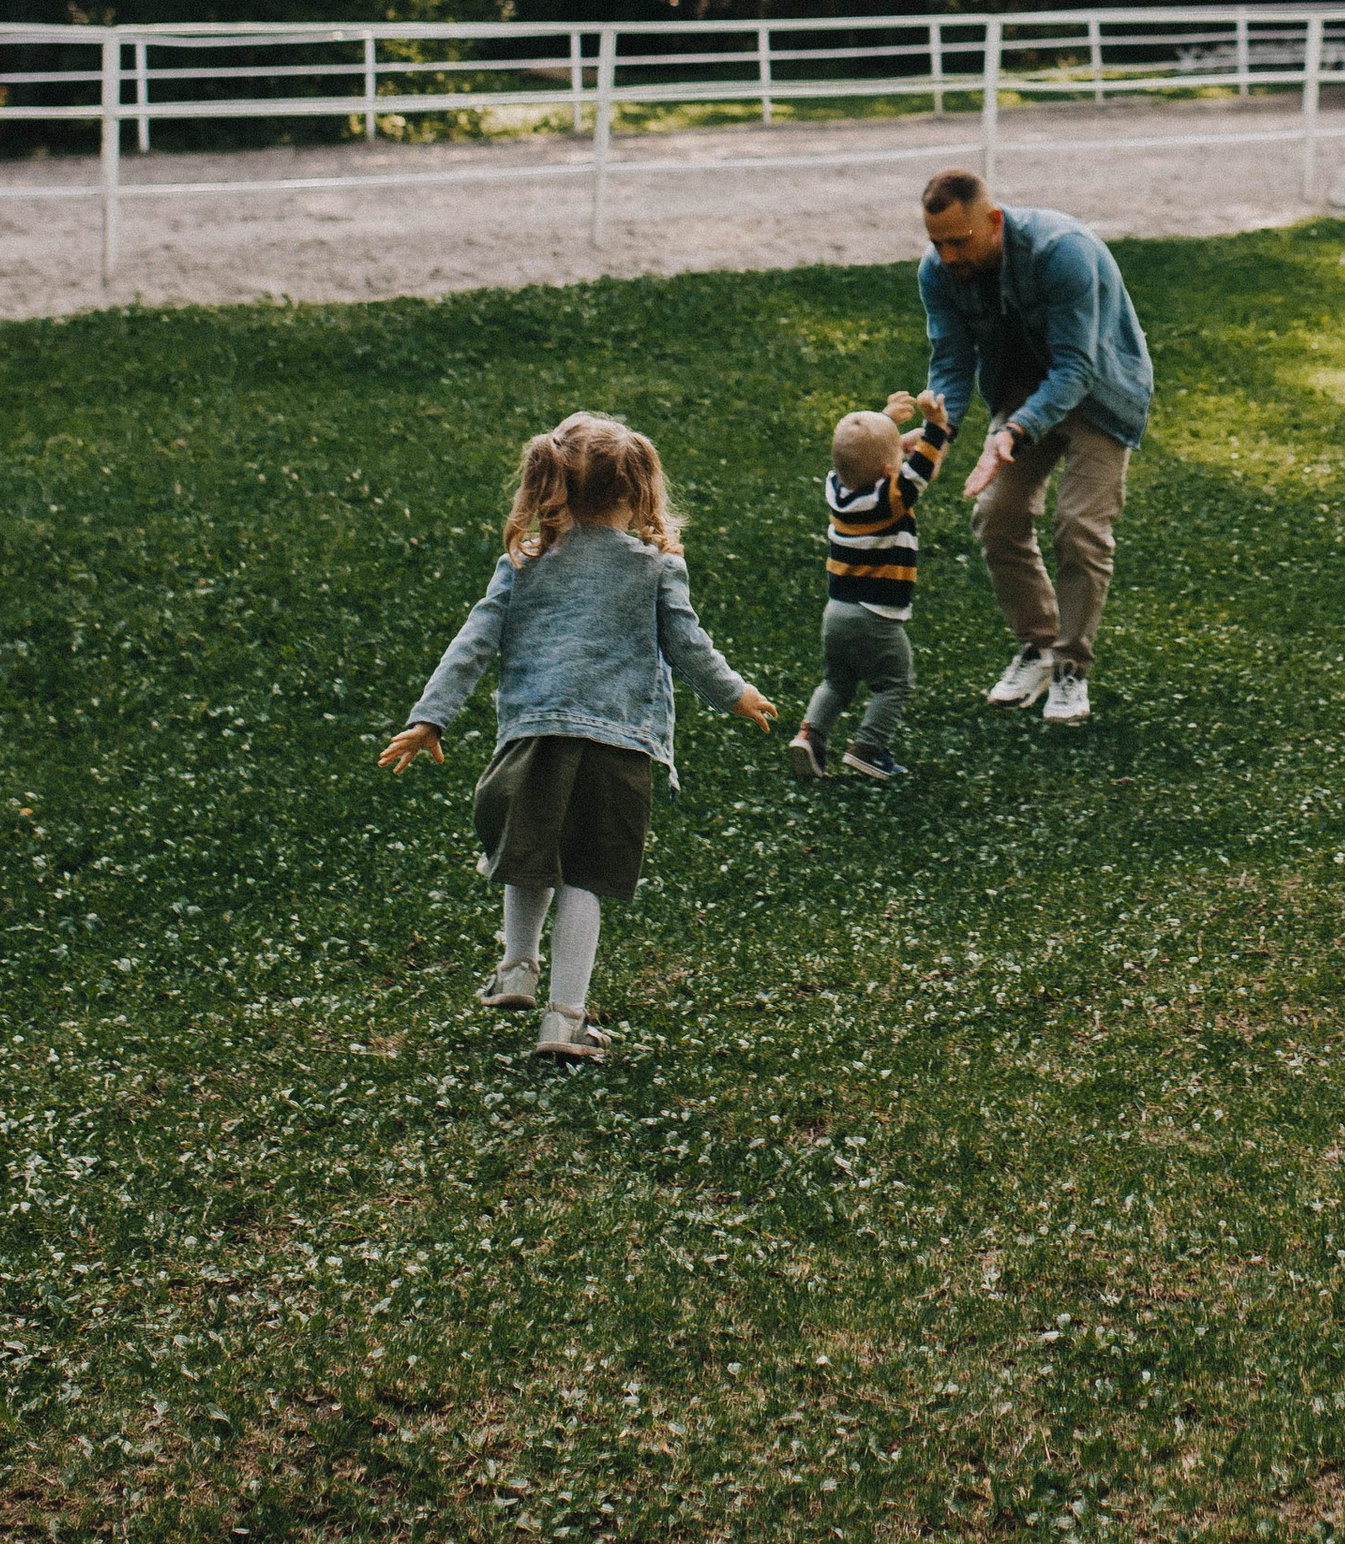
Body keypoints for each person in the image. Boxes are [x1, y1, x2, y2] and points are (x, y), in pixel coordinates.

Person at [381, 411, 777, 1059]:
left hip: (534, 736)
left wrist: (431, 716)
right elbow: (687, 643)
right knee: (584, 877)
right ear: (636, 493)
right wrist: (733, 692)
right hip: (618, 745)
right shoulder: (652, 566)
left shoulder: (525, 561)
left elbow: (473, 644)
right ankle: (563, 1020)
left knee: (528, 852)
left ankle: (515, 968)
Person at [917, 171, 1155, 726]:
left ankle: (1072, 666)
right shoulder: (939, 272)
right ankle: (1039, 646)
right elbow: (951, 361)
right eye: (936, 242)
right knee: (995, 515)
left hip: (1101, 388)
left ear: (993, 222)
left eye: (960, 241)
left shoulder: (1061, 252)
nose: (948, 256)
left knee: (1080, 527)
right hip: (1023, 387)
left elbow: (1077, 366)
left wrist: (1012, 433)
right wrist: (939, 435)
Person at [793, 391, 951, 786]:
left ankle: (810, 737)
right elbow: (922, 466)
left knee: (836, 682)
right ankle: (868, 749)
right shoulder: (892, 499)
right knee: (894, 684)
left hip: (837, 613)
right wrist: (936, 425)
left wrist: (885, 425)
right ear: (887, 469)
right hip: (876, 617)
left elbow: (860, 458)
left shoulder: (837, 489)